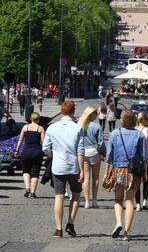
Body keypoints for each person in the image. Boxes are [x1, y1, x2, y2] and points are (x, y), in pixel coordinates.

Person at [104, 110, 148, 241]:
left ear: (122, 120)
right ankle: (126, 232)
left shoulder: (115, 134)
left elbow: (109, 157)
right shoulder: (140, 135)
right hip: (133, 173)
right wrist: (145, 173)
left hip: (118, 171)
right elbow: (145, 157)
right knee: (129, 201)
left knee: (118, 200)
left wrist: (106, 173)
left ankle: (118, 223)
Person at [42, 101, 85, 238]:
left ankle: (58, 229)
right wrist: (82, 170)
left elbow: (45, 148)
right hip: (73, 167)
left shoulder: (52, 128)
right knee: (76, 195)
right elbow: (80, 151)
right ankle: (70, 224)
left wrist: (54, 155)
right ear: (73, 112)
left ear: (61, 111)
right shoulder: (78, 128)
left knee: (59, 196)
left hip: (58, 167)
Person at [78, 106, 105, 209]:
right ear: (91, 115)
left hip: (83, 152)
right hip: (94, 152)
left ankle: (87, 201)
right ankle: (94, 200)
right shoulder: (97, 126)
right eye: (95, 114)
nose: (97, 115)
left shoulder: (80, 125)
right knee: (95, 177)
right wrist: (103, 152)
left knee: (86, 178)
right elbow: (100, 143)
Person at [14, 112, 45, 198]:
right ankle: (33, 193)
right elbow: (44, 142)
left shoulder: (25, 127)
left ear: (31, 119)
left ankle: (27, 187)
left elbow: (20, 140)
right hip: (37, 153)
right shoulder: (40, 128)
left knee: (26, 171)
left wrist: (17, 150)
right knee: (35, 173)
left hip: (26, 152)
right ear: (38, 120)